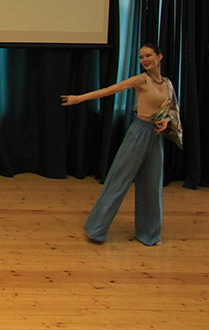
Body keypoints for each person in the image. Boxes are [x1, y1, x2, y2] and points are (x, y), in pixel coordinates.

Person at [62, 43, 183, 246]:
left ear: (159, 56)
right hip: (138, 133)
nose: (144, 60)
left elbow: (172, 110)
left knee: (152, 186)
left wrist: (167, 121)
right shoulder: (141, 80)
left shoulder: (167, 84)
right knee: (118, 180)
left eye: (148, 55)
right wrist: (79, 98)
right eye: (141, 57)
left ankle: (150, 234)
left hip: (155, 136)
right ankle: (96, 229)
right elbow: (111, 90)